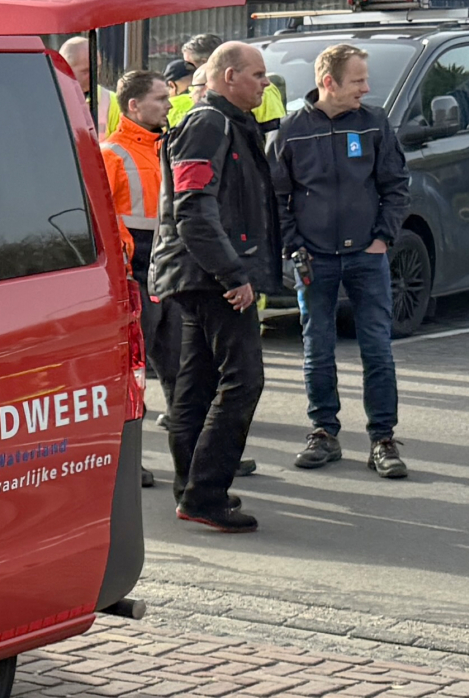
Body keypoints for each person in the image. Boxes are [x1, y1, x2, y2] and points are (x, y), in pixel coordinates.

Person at [151, 41, 278, 533]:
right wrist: (234, 275)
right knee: (243, 379)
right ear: (228, 77)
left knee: (199, 381)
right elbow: (193, 209)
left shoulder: (224, 122)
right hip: (208, 275)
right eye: (258, 74)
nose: (266, 84)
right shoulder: (209, 123)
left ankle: (194, 490)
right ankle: (204, 492)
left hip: (199, 273)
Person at [276, 42, 412, 480]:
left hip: (366, 257)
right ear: (328, 82)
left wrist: (382, 238)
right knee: (317, 349)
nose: (366, 89)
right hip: (314, 258)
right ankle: (323, 432)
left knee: (377, 350)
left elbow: (395, 185)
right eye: (357, 81)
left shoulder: (374, 123)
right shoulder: (291, 130)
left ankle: (383, 440)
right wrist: (295, 246)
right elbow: (277, 198)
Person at [102, 70, 170, 488]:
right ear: (134, 106)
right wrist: (129, 258)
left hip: (167, 267)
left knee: (183, 368)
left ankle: (198, 454)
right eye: (160, 98)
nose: (168, 104)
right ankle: (131, 463)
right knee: (136, 376)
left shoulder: (166, 147)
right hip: (139, 271)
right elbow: (105, 218)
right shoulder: (112, 153)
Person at [171, 34, 284, 129]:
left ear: (207, 62)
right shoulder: (181, 100)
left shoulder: (263, 90)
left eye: (189, 65)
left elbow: (271, 136)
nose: (187, 70)